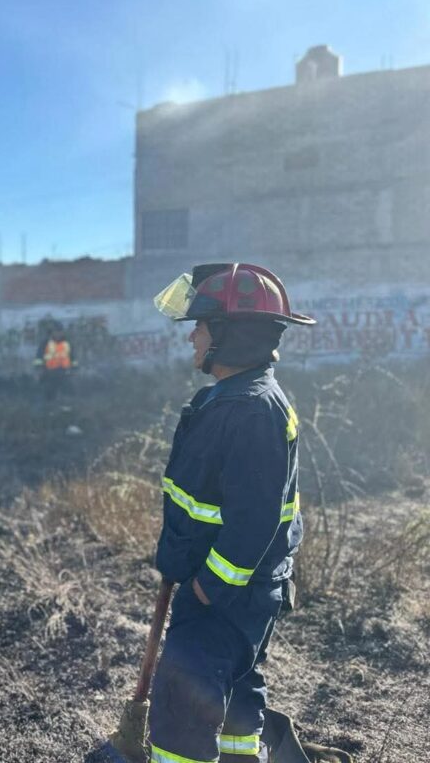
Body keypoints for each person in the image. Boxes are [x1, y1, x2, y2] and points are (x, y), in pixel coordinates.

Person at [149, 263, 315, 763]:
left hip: (225, 596)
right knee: (237, 694)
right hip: (233, 593)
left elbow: (254, 522)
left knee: (183, 704)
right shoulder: (234, 398)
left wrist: (209, 587)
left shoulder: (251, 410)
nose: (192, 337)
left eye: (200, 326)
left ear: (229, 335)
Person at [33, 321, 77, 399]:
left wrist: (74, 369)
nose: (58, 334)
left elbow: (73, 357)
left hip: (64, 372)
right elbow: (38, 358)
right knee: (48, 393)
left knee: (68, 393)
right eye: (56, 331)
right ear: (52, 332)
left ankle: (66, 404)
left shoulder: (67, 343)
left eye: (60, 331)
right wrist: (39, 370)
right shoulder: (45, 343)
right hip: (48, 373)